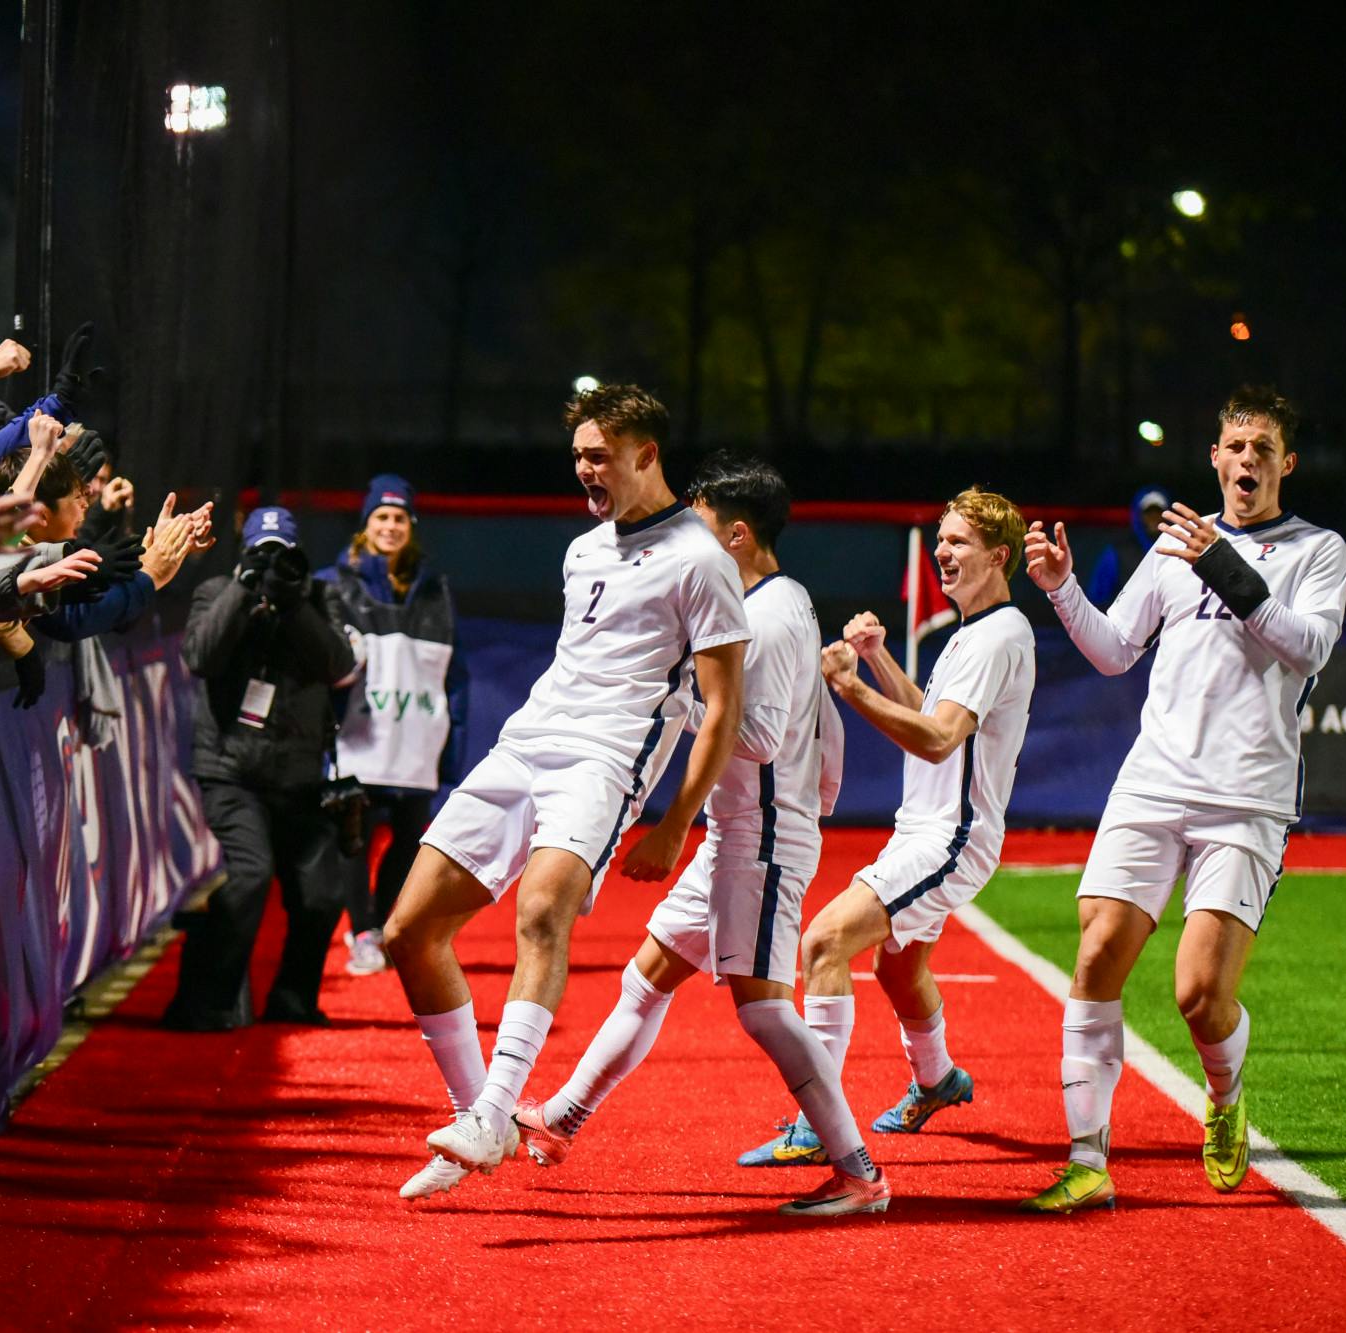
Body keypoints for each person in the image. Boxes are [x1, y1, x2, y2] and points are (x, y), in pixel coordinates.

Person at [385, 383, 748, 1200]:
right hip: (528, 741)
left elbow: (723, 708)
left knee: (543, 909)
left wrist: (675, 823)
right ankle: (480, 1118)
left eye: (599, 456)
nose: (584, 469)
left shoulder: (701, 558)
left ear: (646, 455)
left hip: (605, 760)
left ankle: (490, 1115)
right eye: (578, 454)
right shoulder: (584, 546)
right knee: (410, 929)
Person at [510, 454, 888, 1215]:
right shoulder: (778, 602)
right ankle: (561, 1118)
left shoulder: (770, 612)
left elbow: (757, 735)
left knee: (764, 1008)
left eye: (702, 523)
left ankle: (859, 1172)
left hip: (761, 834)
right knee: (646, 977)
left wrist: (686, 693)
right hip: (745, 830)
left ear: (738, 535)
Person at [1019, 387, 1346, 1214]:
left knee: (1199, 994)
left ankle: (1226, 1092)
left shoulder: (1318, 550)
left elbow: (1307, 647)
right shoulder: (1175, 547)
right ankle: (1088, 1157)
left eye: (1264, 448)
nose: (1248, 461)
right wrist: (1062, 590)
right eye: (1236, 445)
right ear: (1214, 456)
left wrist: (1221, 564)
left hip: (1246, 797)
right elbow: (1114, 651)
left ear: (1286, 464)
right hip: (1154, 779)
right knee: (1095, 954)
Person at [737, 487, 1035, 1171]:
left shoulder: (998, 636)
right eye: (941, 540)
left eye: (959, 542)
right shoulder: (975, 631)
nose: (943, 551)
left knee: (824, 941)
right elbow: (930, 715)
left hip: (951, 838)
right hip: (928, 830)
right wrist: (877, 659)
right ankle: (937, 1081)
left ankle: (820, 1123)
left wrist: (850, 687)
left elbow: (935, 740)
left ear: (1000, 555)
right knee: (898, 968)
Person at [164, 507, 358, 1030]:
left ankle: (293, 999)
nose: (273, 564)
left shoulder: (319, 598)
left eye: (282, 554)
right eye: (261, 553)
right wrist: (244, 588)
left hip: (300, 777)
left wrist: (295, 605)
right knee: (248, 876)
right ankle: (212, 1001)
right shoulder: (217, 591)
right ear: (245, 553)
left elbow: (339, 667)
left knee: (322, 891)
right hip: (231, 771)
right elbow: (201, 656)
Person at [317, 474, 468, 977]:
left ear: (411, 525)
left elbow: (453, 669)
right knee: (354, 839)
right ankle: (361, 930)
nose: (390, 525)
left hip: (415, 739)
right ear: (365, 525)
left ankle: (380, 927)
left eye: (399, 517)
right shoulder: (334, 583)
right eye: (380, 517)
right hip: (359, 737)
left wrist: (452, 743)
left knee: (408, 840)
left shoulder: (434, 587)